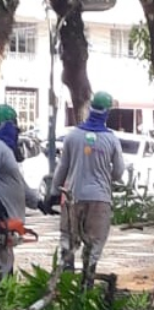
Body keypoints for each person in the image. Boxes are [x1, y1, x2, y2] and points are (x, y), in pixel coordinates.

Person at [46, 91, 125, 288]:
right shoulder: (112, 139)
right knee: (94, 243)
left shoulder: (73, 135)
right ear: (107, 113)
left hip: (73, 196)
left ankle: (65, 282)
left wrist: (54, 192)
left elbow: (62, 168)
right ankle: (86, 284)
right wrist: (106, 178)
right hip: (100, 199)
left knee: (68, 239)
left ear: (91, 109)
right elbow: (119, 171)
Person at [0, 104, 54, 278]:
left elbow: (18, 183)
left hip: (8, 218)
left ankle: (1, 299)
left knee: (5, 261)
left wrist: (38, 202)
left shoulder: (5, 151)